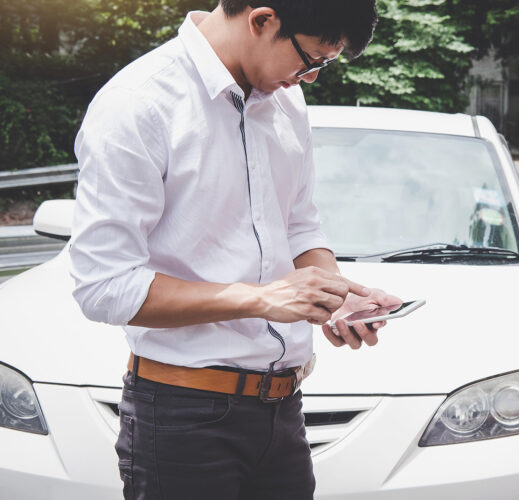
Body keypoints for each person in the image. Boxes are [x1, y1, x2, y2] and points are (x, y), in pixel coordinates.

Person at [68, 1, 397, 498]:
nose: (309, 78)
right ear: (262, 20)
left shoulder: (284, 100)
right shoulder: (136, 104)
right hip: (183, 416)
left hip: (284, 412)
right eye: (311, 59)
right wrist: (260, 298)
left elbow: (300, 225)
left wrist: (333, 293)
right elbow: (104, 287)